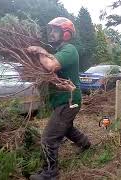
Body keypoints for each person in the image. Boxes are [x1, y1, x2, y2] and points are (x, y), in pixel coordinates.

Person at [28, 17, 91, 180]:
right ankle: (85, 144)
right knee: (66, 127)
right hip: (65, 100)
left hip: (68, 100)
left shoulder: (69, 49)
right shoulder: (58, 52)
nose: (51, 33)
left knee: (49, 137)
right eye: (51, 30)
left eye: (55, 30)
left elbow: (51, 66)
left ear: (66, 34)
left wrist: (39, 51)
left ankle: (50, 173)